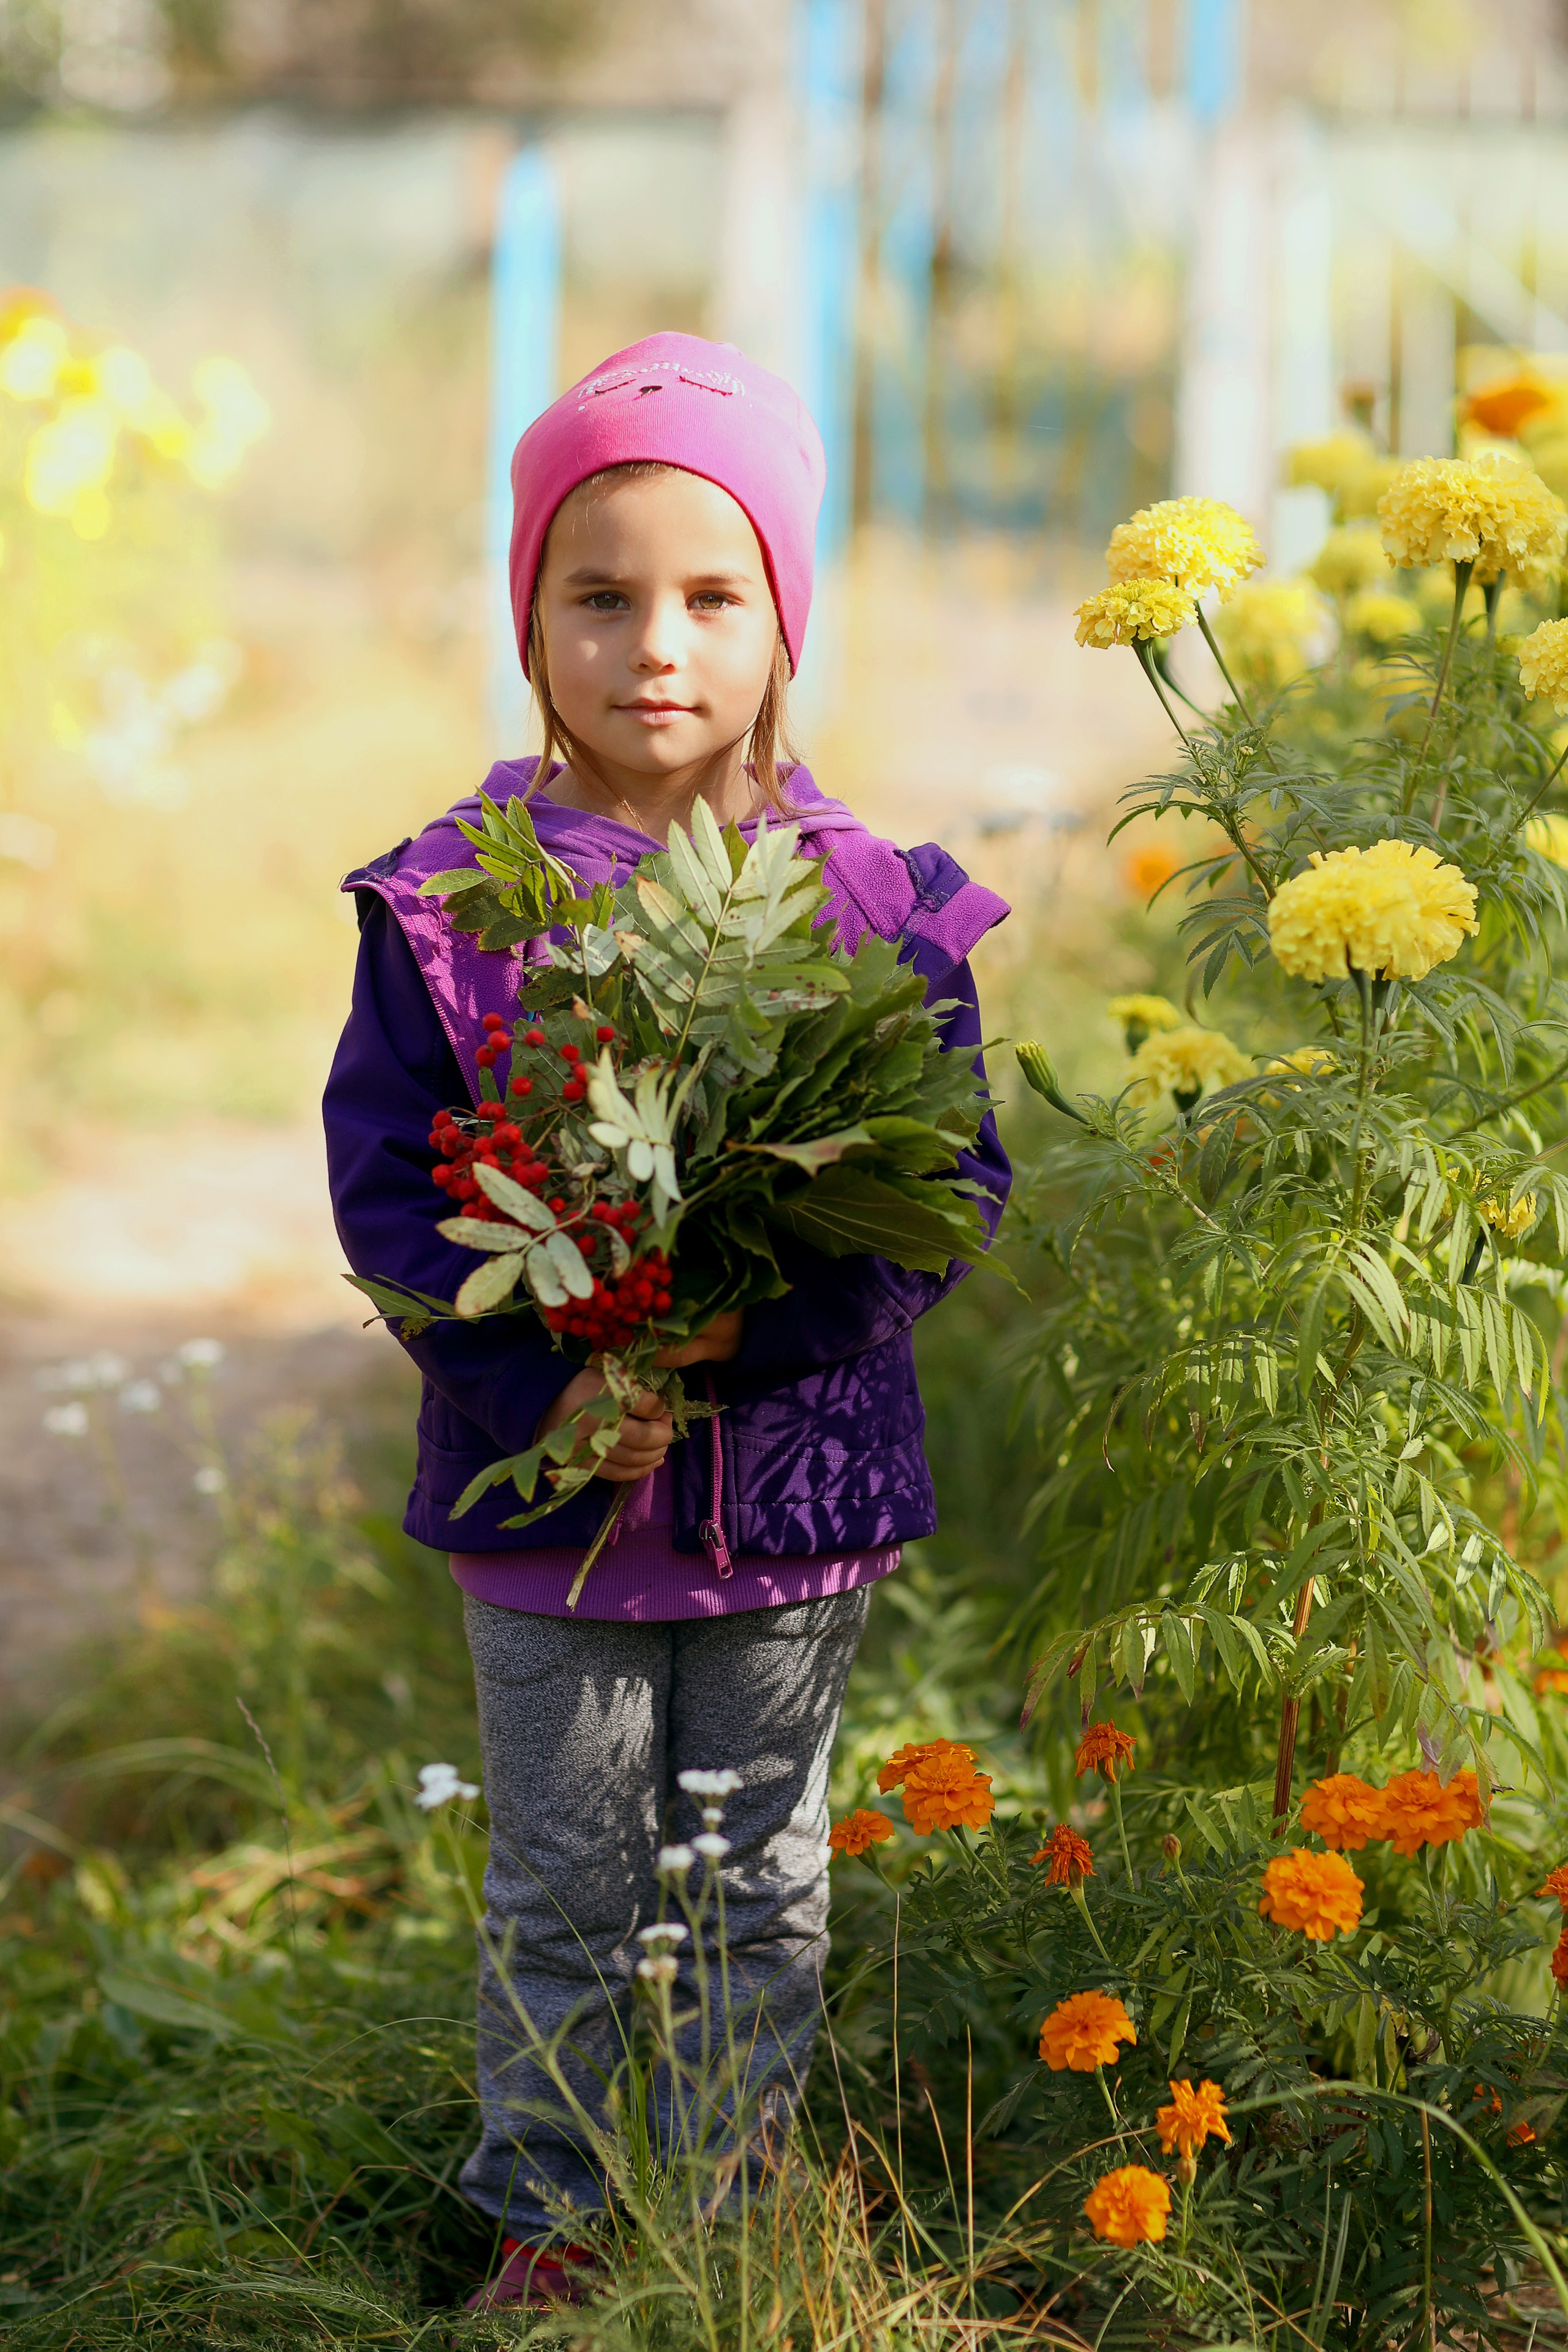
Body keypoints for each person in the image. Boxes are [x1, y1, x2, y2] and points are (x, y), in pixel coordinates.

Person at [323, 331, 1010, 2309]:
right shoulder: (457, 906)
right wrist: (550, 1372)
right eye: (599, 596)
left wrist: (741, 1337)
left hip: (790, 1503)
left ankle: (722, 2222)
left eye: (715, 597)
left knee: (755, 1881)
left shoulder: (870, 906)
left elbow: (941, 1189)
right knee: (564, 1887)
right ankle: (545, 2222)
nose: (655, 648)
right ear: (527, 617)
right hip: (549, 1507)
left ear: (785, 621)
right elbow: (392, 1194)